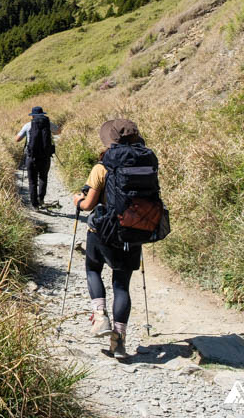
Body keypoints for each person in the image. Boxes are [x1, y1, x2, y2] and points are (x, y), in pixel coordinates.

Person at [72, 119, 144, 360]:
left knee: (93, 269)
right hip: (134, 232)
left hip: (103, 232)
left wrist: (77, 201)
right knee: (121, 284)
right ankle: (119, 342)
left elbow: (89, 204)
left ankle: (100, 315)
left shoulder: (102, 168)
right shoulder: (147, 164)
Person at [15, 106, 54, 208]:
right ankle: (41, 199)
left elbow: (17, 139)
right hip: (45, 157)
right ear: (43, 115)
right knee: (43, 178)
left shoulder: (28, 125)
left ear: (32, 116)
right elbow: (59, 131)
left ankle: (35, 205)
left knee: (32, 181)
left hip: (31, 157)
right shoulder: (48, 124)